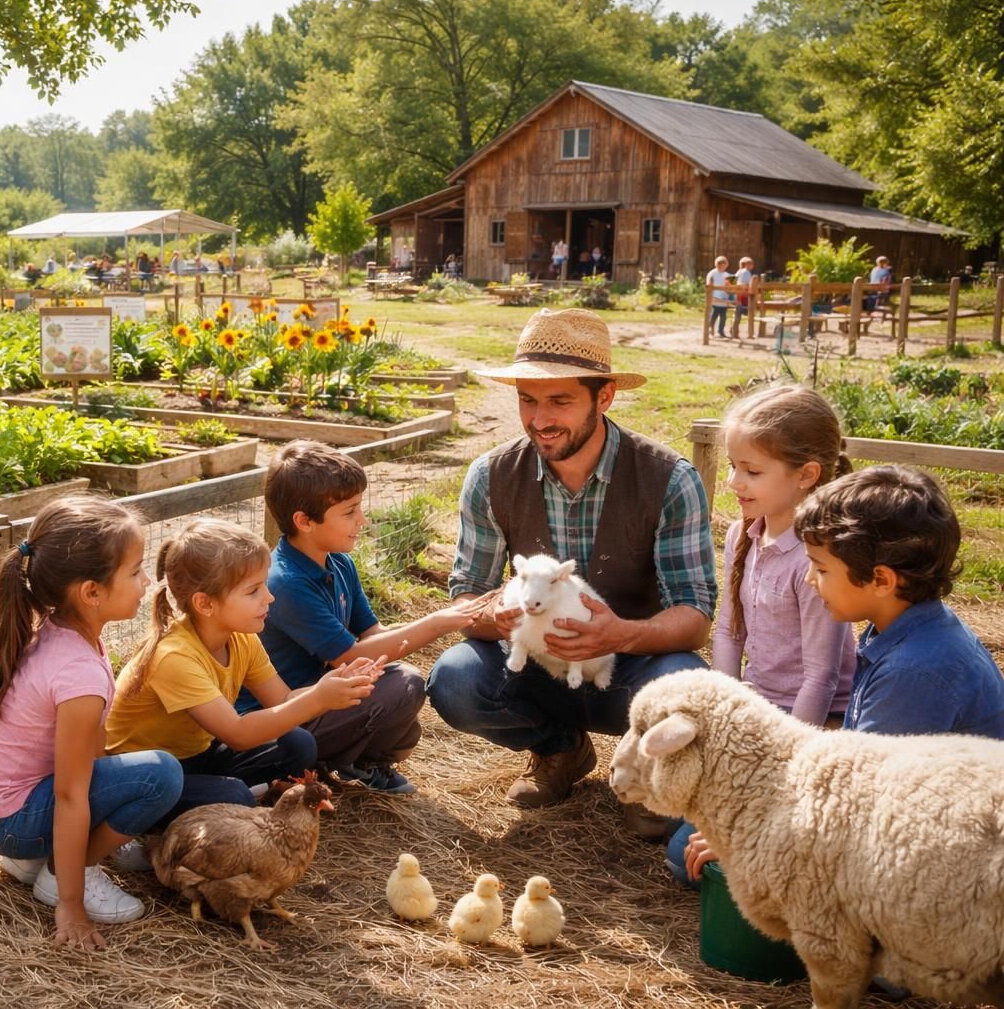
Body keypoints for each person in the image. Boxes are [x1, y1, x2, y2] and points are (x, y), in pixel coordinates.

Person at [426, 307, 716, 840]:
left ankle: (645, 773)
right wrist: (497, 614)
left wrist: (622, 633)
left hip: (625, 666)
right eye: (528, 400)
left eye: (560, 401)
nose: (540, 419)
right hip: (535, 662)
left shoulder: (669, 479)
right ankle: (560, 749)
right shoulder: (490, 477)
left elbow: (695, 616)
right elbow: (465, 599)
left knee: (692, 689)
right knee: (455, 679)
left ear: (603, 397)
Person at [674, 464, 1004, 886]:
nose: (810, 579)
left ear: (881, 579)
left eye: (822, 569)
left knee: (714, 862)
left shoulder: (915, 673)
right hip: (909, 826)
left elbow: (862, 803)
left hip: (946, 865)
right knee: (698, 840)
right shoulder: (902, 628)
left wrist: (752, 834)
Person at [0, 496, 182, 949]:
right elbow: (70, 793)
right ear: (91, 592)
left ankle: (35, 858)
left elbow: (87, 756)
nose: (147, 581)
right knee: (162, 774)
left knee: (121, 770)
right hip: (11, 820)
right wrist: (70, 905)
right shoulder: (77, 673)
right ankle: (62, 874)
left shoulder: (54, 630)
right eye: (136, 570)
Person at [665, 384, 856, 886]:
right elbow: (729, 630)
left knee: (693, 854)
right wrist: (725, 717)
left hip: (813, 724)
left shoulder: (818, 558)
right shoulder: (742, 534)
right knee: (678, 835)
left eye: (751, 471)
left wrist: (786, 764)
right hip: (761, 707)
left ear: (806, 476)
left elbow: (822, 672)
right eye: (731, 466)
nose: (733, 482)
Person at [252, 441, 493, 794]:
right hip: (284, 717)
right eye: (349, 512)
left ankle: (350, 763)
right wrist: (438, 623)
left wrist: (442, 620)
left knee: (403, 709)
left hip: (325, 696)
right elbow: (350, 656)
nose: (361, 520)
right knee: (404, 685)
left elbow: (371, 634)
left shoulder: (339, 563)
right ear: (304, 521)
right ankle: (322, 765)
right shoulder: (286, 582)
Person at [106, 518, 378, 822]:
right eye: (253, 591)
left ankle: (233, 795)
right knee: (233, 796)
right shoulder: (174, 656)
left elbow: (282, 699)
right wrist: (319, 699)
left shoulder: (241, 638)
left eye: (264, 585)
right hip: (149, 775)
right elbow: (237, 734)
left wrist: (332, 684)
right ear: (205, 604)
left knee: (299, 745)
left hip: (197, 754)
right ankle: (144, 822)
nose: (269, 597)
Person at [707, 255, 733, 338]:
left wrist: (730, 293)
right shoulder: (712, 273)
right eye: (720, 265)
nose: (722, 267)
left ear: (726, 265)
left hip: (724, 299)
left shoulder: (727, 275)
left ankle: (721, 331)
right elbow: (708, 286)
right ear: (716, 265)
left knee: (723, 317)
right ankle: (710, 330)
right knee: (713, 316)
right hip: (714, 298)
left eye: (723, 265)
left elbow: (732, 288)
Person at [730, 256, 755, 337]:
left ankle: (734, 330)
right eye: (751, 264)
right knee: (743, 311)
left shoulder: (738, 272)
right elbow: (744, 284)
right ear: (747, 265)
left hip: (736, 294)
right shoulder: (746, 272)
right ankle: (735, 331)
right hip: (742, 295)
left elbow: (731, 282)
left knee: (738, 312)